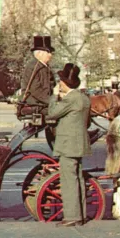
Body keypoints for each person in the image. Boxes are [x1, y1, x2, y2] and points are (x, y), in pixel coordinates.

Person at [46, 63, 92, 227]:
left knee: (69, 180)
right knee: (78, 178)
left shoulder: (71, 99)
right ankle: (81, 215)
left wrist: (54, 96)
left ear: (64, 84)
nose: (59, 84)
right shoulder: (83, 98)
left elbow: (52, 114)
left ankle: (72, 216)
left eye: (60, 82)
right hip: (78, 144)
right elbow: (86, 122)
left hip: (68, 145)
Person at [20, 35, 56, 114]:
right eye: (48, 52)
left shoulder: (45, 67)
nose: (50, 55)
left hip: (43, 103)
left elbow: (52, 87)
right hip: (35, 104)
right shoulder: (33, 67)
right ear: (39, 53)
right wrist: (51, 101)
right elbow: (36, 90)